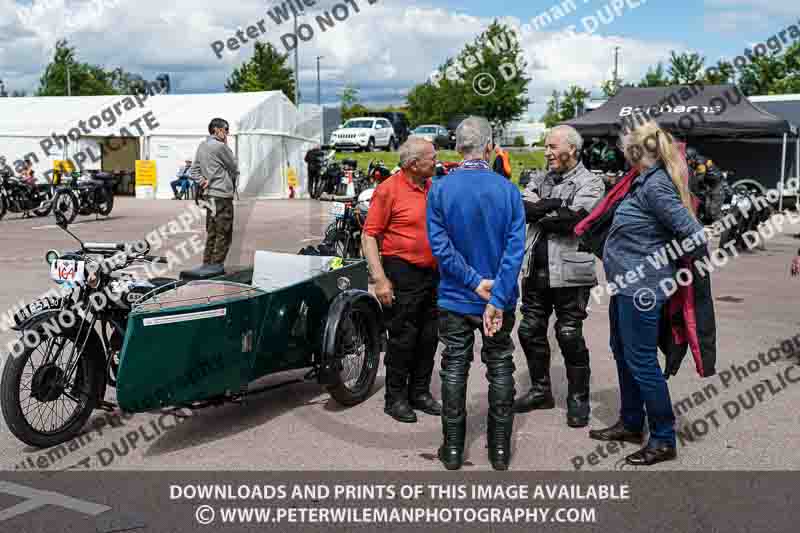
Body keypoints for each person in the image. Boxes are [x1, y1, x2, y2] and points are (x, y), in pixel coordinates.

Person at [589, 118, 705, 466]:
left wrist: (659, 267)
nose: (622, 154)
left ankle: (664, 437)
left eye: (626, 149)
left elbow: (695, 236)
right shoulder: (642, 183)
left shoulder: (655, 187)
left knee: (640, 361)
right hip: (626, 286)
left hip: (642, 288)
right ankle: (630, 422)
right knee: (622, 352)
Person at [426, 116, 526, 471]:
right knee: (500, 367)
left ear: (458, 147)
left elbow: (440, 247)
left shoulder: (440, 189)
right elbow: (516, 250)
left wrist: (471, 281)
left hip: (457, 294)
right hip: (497, 298)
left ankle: (453, 450)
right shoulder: (508, 191)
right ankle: (499, 451)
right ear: (490, 147)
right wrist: (497, 295)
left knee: (454, 368)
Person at [514, 125, 604, 429]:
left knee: (568, 335)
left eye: (552, 147)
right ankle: (541, 391)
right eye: (545, 147)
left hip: (571, 273)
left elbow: (573, 222)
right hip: (535, 272)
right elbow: (520, 209)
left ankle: (578, 399)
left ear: (573, 150)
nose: (547, 152)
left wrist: (541, 208)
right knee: (529, 331)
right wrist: (545, 208)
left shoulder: (591, 183)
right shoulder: (539, 177)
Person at [362, 138, 441, 423]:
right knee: (403, 337)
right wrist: (380, 279)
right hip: (401, 270)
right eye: (431, 157)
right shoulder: (388, 190)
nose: (436, 160)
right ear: (413, 164)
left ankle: (419, 392)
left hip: (432, 273)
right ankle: (395, 398)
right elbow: (369, 235)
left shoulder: (432, 188)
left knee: (429, 335)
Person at [190, 118, 239, 267]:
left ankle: (207, 265)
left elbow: (194, 170)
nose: (228, 133)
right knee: (223, 233)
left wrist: (202, 181)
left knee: (212, 232)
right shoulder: (220, 147)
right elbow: (233, 166)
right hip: (222, 195)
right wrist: (225, 145)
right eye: (226, 129)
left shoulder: (203, 145)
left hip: (209, 195)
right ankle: (216, 267)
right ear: (217, 130)